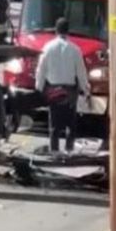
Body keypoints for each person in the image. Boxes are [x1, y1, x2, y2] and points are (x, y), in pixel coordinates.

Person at [35, 17, 90, 153]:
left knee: (54, 123)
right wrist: (86, 90)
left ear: (56, 30)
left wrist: (39, 88)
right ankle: (69, 150)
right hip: (70, 91)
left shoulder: (47, 48)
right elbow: (81, 73)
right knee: (70, 123)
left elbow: (41, 70)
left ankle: (54, 151)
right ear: (68, 31)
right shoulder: (75, 50)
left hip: (53, 90)